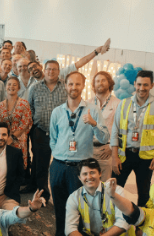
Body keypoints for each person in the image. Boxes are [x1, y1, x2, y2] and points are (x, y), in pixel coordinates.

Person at [25, 43, 110, 198]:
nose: (51, 72)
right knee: (41, 164)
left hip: (65, 132)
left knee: (62, 162)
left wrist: (96, 51)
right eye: (48, 69)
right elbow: (29, 108)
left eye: (54, 69)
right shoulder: (35, 88)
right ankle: (42, 192)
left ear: (60, 72)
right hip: (40, 131)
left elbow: (80, 63)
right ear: (45, 71)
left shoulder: (65, 85)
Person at [48, 71, 109, 236]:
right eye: (70, 84)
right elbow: (53, 139)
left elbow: (105, 137)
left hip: (81, 168)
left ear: (83, 86)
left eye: (77, 84)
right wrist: (60, 155)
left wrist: (94, 124)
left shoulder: (92, 110)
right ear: (66, 86)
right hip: (59, 166)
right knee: (59, 207)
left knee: (79, 209)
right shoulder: (58, 112)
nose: (73, 87)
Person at [109, 69, 154, 206]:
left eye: (146, 85)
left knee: (144, 193)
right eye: (139, 84)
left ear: (152, 85)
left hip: (146, 156)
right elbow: (115, 130)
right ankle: (113, 220)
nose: (142, 88)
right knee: (115, 190)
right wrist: (114, 156)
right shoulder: (124, 104)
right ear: (135, 84)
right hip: (124, 154)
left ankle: (141, 225)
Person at [0, 76, 32, 170]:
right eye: (9, 84)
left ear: (19, 88)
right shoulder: (0, 106)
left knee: (18, 167)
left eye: (14, 84)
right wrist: (4, 138)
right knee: (4, 167)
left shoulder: (24, 104)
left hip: (19, 140)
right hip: (3, 140)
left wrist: (12, 137)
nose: (11, 86)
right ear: (5, 87)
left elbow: (25, 123)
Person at [89, 71, 121, 181]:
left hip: (106, 151)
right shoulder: (87, 103)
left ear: (109, 83)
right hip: (88, 150)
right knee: (88, 183)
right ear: (94, 85)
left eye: (103, 80)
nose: (100, 83)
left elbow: (121, 129)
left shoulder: (118, 104)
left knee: (104, 186)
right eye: (97, 81)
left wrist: (112, 147)